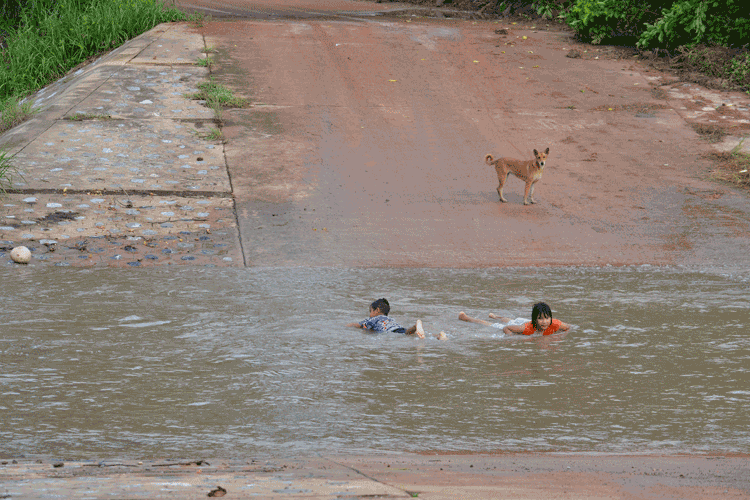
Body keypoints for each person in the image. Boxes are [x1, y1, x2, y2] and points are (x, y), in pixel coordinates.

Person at [458, 302, 569, 336]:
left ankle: (496, 316)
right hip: (522, 324)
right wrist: (511, 338)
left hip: (522, 321)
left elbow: (568, 328)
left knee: (511, 320)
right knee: (488, 324)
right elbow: (507, 328)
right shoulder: (527, 329)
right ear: (535, 320)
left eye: (547, 318)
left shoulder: (555, 324)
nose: (544, 321)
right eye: (540, 319)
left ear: (551, 318)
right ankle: (465, 317)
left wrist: (559, 336)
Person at [347, 298, 426, 339]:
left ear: (376, 310)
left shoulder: (373, 319)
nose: (370, 315)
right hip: (396, 328)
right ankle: (418, 328)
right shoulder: (389, 319)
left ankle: (416, 327)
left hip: (389, 331)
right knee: (407, 332)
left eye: (370, 311)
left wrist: (347, 326)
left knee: (405, 333)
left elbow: (358, 325)